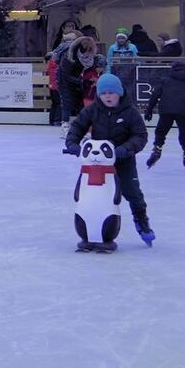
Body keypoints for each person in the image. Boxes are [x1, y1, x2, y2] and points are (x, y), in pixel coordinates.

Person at [65, 73, 153, 245]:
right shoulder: (93, 110)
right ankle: (92, 226)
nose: (107, 96)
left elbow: (140, 136)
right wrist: (73, 144)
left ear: (119, 93)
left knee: (132, 191)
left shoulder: (130, 112)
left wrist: (125, 149)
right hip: (98, 163)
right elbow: (77, 127)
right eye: (103, 93)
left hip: (123, 161)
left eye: (111, 93)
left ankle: (141, 220)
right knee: (91, 194)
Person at [144, 40, 185, 171]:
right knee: (184, 134)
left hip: (166, 111)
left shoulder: (165, 81)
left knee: (161, 131)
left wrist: (148, 110)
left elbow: (155, 95)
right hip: (182, 112)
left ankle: (157, 149)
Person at [56, 34, 100, 127]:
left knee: (80, 101)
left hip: (76, 78)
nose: (89, 54)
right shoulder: (69, 56)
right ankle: (65, 125)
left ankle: (82, 124)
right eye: (87, 51)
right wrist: (81, 81)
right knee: (67, 101)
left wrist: (93, 77)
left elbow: (92, 66)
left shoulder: (89, 56)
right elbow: (66, 74)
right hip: (64, 79)